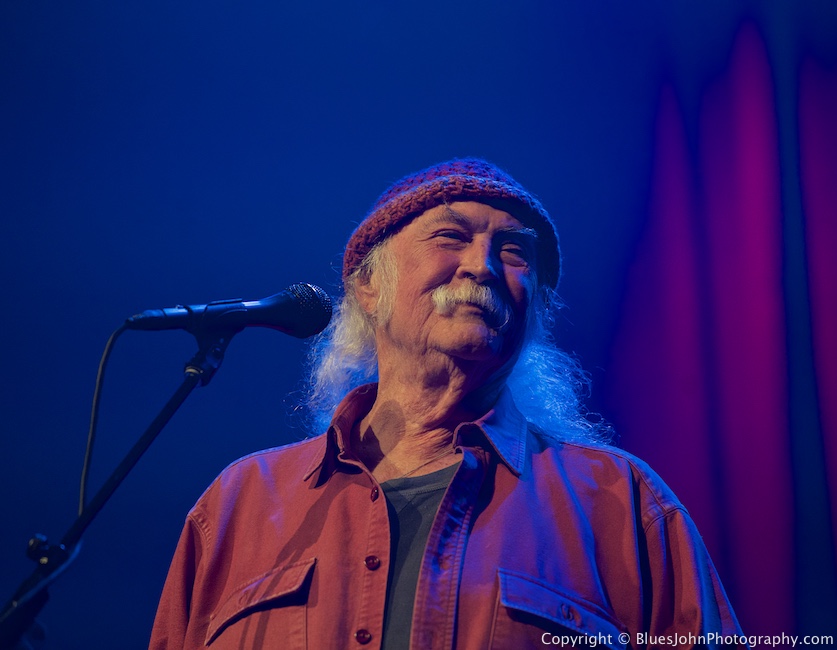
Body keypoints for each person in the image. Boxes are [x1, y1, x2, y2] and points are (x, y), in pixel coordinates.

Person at [149, 159, 745, 649]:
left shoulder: (623, 506)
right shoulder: (239, 504)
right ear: (367, 283)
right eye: (451, 236)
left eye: (513, 252)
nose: (481, 265)